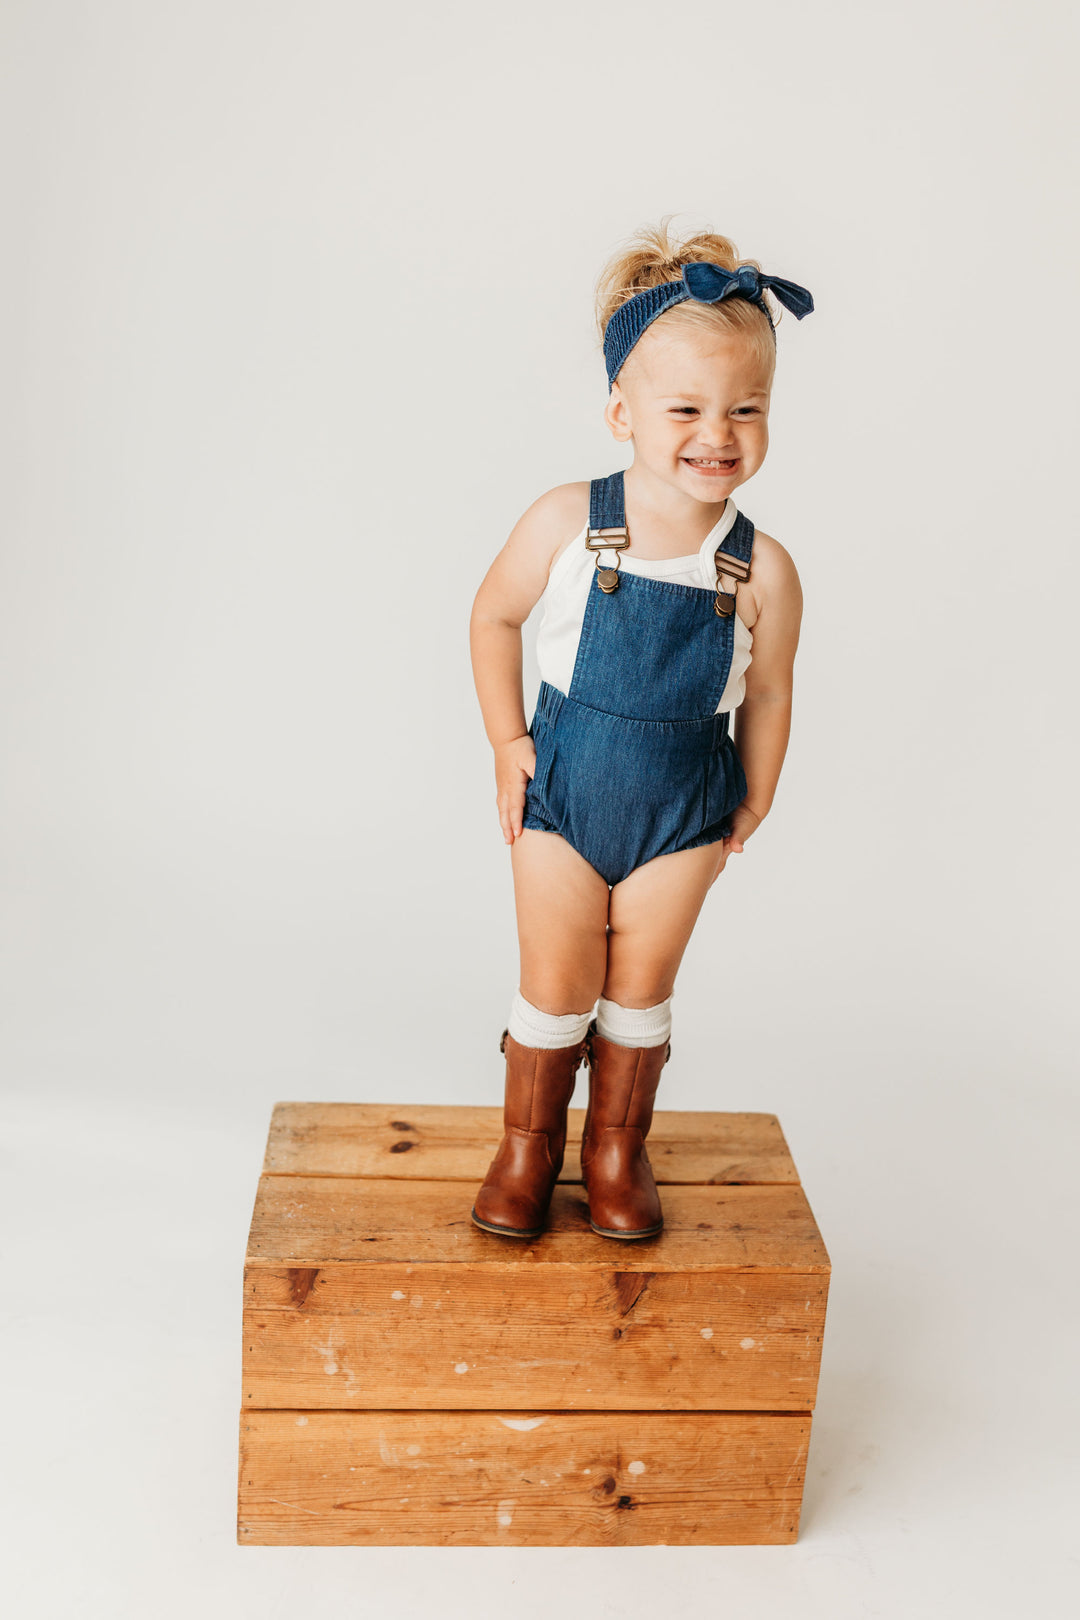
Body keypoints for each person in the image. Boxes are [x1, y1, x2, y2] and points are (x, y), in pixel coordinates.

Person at [468, 221, 814, 1242]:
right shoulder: (570, 521)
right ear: (621, 409)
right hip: (566, 792)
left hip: (685, 808)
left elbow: (773, 692)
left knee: (639, 987)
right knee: (558, 981)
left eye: (747, 408)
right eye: (687, 408)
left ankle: (616, 1145)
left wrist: (752, 797)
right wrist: (505, 743)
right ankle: (527, 1145)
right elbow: (492, 617)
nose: (720, 432)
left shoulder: (762, 567)